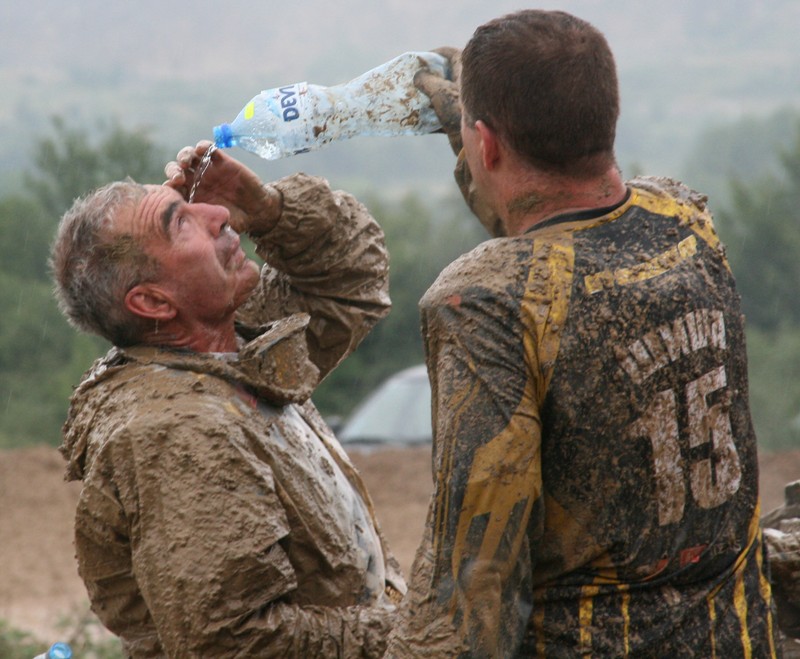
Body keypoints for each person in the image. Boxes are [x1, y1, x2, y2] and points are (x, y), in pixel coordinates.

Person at [383, 10, 781, 658]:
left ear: (486, 146)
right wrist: (482, 128)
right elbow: (555, 242)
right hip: (738, 636)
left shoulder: (481, 303)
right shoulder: (686, 219)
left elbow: (475, 583)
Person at [51, 141, 405, 658]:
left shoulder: (232, 347)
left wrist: (268, 210)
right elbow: (234, 644)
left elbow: (353, 280)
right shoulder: (175, 432)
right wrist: (416, 636)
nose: (217, 214)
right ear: (152, 302)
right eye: (180, 221)